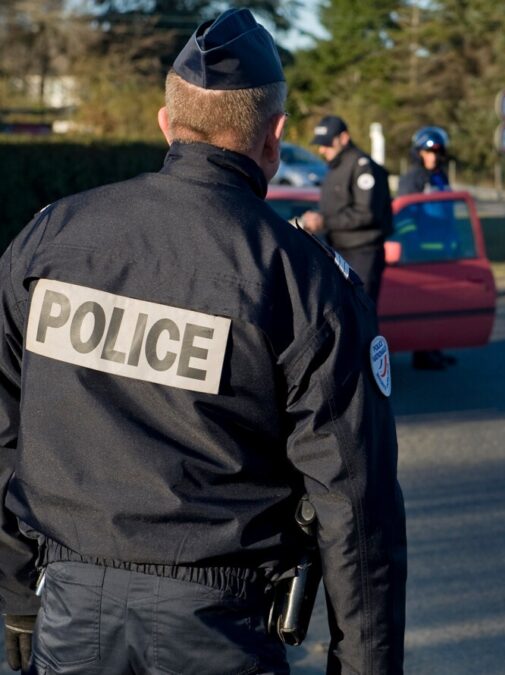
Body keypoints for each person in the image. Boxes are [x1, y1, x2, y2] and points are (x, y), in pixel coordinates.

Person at [0, 9, 406, 674]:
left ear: (167, 122)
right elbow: (356, 504)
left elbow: (4, 424)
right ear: (273, 138)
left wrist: (18, 589)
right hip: (219, 629)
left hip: (69, 616)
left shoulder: (52, 239)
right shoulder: (303, 280)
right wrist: (365, 662)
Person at [301, 115, 393, 309]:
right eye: (320, 144)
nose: (322, 149)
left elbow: (366, 213)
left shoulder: (362, 166)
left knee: (360, 314)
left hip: (362, 254)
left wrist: (324, 221)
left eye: (327, 144)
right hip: (338, 251)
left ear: (343, 138)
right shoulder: (335, 167)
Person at [398, 126, 458, 370]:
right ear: (418, 152)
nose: (432, 156)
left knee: (440, 304)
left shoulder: (441, 177)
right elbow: (404, 215)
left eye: (437, 151)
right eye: (427, 151)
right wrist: (413, 244)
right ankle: (422, 354)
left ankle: (435, 348)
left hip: (443, 250)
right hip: (421, 253)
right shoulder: (412, 179)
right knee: (424, 305)